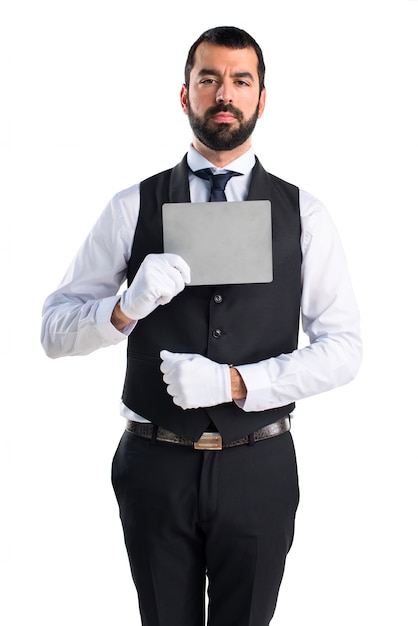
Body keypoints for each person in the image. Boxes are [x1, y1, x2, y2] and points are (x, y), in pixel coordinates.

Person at [41, 25, 362, 626]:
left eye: (241, 81)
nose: (225, 93)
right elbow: (53, 331)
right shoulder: (132, 206)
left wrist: (239, 384)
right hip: (154, 466)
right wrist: (122, 309)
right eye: (208, 78)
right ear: (183, 94)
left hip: (258, 467)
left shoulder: (305, 215)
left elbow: (344, 349)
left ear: (261, 98)